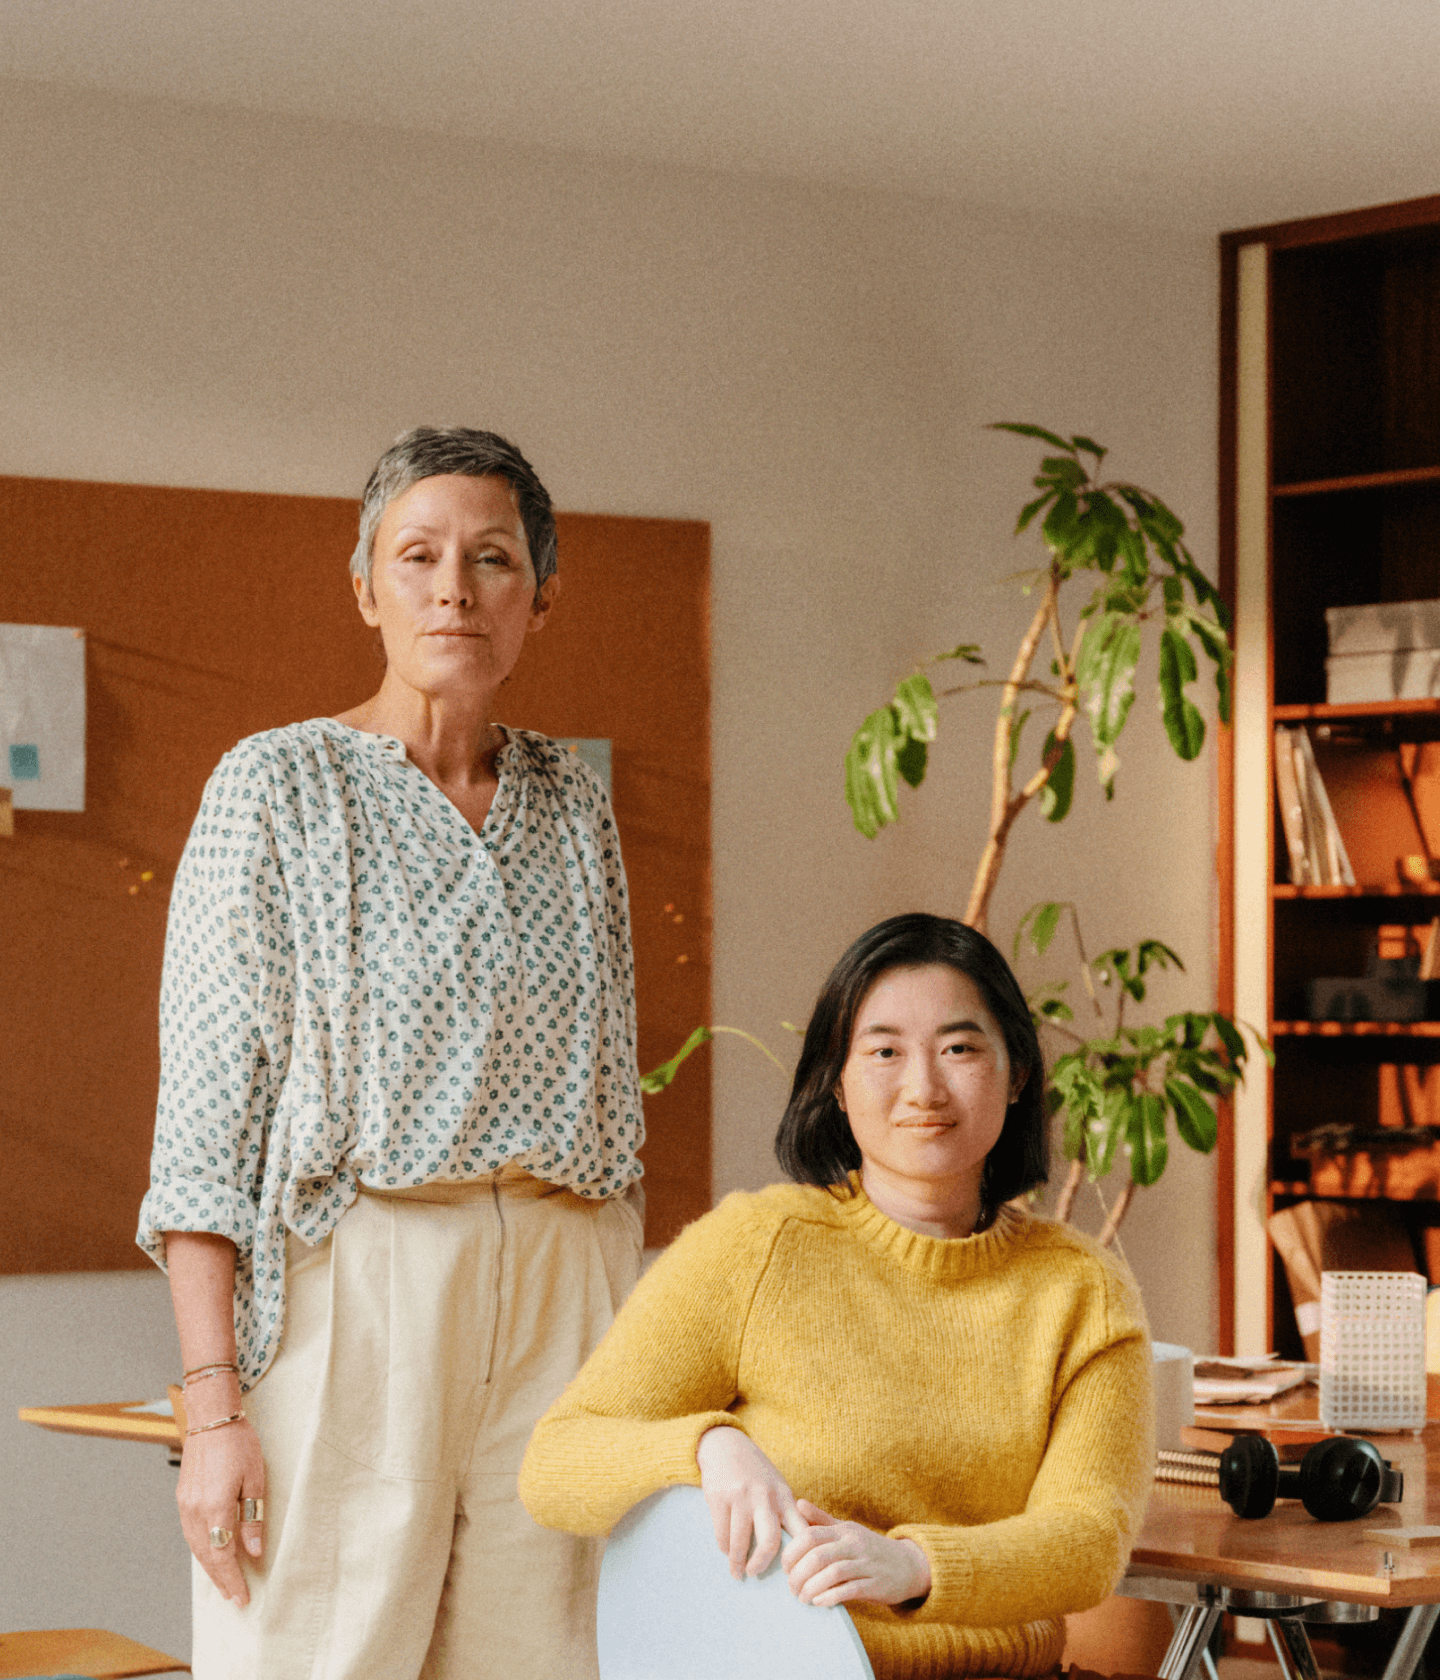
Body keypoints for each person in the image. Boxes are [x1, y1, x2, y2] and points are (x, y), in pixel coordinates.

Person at [137, 426, 646, 1680]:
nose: (453, 589)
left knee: (554, 1660)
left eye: (491, 559)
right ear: (367, 587)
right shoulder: (277, 787)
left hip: (565, 1291)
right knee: (318, 1657)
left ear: (542, 597)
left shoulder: (574, 804)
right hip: (360, 1280)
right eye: (416, 556)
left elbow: (614, 1114)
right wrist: (212, 1413)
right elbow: (202, 1136)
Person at [520, 912, 1154, 1680]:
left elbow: (1089, 1539)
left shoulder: (1083, 1290)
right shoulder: (758, 1245)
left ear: (1016, 1073)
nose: (924, 1087)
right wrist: (708, 1446)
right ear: (840, 1085)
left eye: (958, 1048)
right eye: (884, 1051)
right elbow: (556, 1465)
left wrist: (914, 1565)